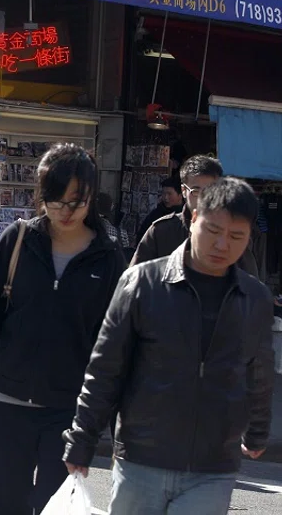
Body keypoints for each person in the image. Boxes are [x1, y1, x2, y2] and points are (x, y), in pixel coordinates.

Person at [63, 178, 274, 514]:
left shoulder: (254, 298)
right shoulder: (141, 284)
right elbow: (105, 369)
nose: (223, 245)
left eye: (236, 237)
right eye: (213, 231)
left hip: (213, 466)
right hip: (142, 458)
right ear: (193, 220)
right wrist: (82, 439)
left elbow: (259, 372)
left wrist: (259, 431)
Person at [0, 144, 126, 515]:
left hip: (68, 410)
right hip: (6, 402)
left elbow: (115, 344)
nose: (66, 212)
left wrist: (112, 417)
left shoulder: (109, 258)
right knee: (6, 506)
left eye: (76, 202)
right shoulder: (18, 240)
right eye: (56, 200)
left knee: (52, 506)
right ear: (41, 195)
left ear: (92, 198)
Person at [137, 176, 183, 242]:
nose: (166, 197)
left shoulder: (186, 215)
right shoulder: (155, 214)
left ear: (180, 195)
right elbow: (142, 235)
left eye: (169, 194)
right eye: (164, 193)